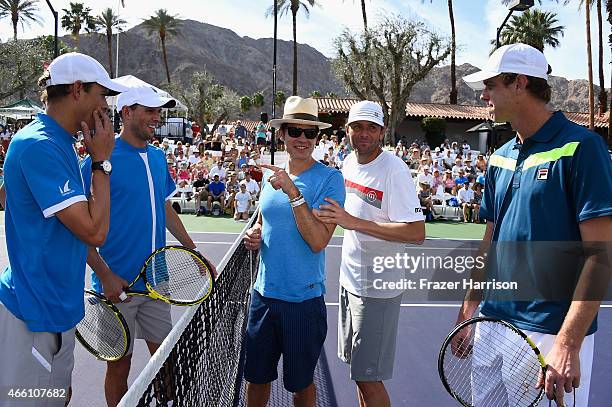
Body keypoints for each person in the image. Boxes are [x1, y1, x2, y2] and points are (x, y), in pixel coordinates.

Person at [459, 43, 612, 405]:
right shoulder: (499, 157)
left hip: (549, 333)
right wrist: (468, 311)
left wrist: (567, 342)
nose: (484, 95)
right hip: (492, 323)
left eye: (491, 85)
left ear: (519, 83)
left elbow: (600, 253)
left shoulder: (583, 147)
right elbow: (489, 242)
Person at [0, 52, 128, 407]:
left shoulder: (60, 142)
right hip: (34, 313)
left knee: (58, 398)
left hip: (55, 309)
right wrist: (102, 161)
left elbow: (70, 230)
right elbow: (93, 231)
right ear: (77, 90)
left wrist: (103, 272)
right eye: (102, 95)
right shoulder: (40, 145)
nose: (106, 105)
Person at [81, 84, 215, 406]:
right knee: (119, 367)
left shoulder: (157, 158)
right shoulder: (100, 161)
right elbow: (79, 228)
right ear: (126, 113)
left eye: (158, 111)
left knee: (166, 362)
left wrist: (192, 250)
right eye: (149, 110)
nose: (157, 117)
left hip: (158, 282)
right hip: (116, 287)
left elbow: (164, 206)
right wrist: (105, 274)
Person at [316, 101, 424, 407]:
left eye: (372, 128)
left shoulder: (394, 170)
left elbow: (416, 233)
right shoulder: (349, 163)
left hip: (378, 288)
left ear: (382, 132)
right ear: (347, 130)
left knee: (368, 376)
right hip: (350, 282)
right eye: (358, 127)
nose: (364, 134)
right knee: (358, 371)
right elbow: (337, 214)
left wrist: (355, 223)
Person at [243, 96, 345, 407]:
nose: (302, 139)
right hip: (263, 297)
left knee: (301, 385)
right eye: (294, 131)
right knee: (256, 381)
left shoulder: (331, 179)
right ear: (282, 134)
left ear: (318, 137)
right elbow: (264, 219)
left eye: (309, 133)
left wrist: (293, 192)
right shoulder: (272, 176)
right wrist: (255, 233)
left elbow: (317, 241)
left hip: (303, 302)